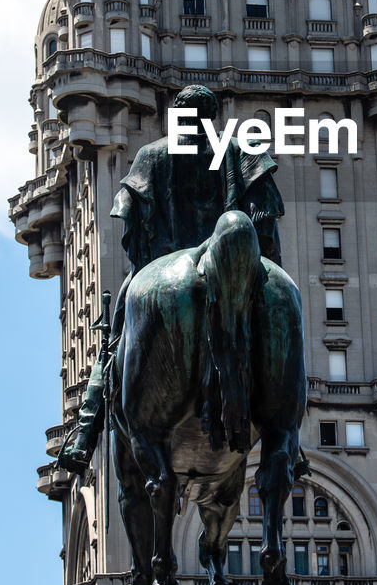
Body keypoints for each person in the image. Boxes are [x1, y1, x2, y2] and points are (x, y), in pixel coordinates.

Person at [58, 85, 283, 472]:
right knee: (279, 321)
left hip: (163, 264)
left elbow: (132, 222)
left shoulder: (152, 155)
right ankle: (286, 436)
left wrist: (147, 266)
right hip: (236, 267)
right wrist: (266, 265)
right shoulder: (240, 151)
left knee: (113, 343)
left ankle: (85, 431)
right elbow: (263, 220)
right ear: (212, 117)